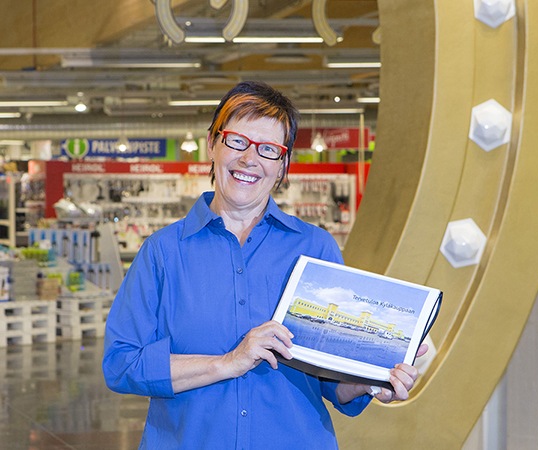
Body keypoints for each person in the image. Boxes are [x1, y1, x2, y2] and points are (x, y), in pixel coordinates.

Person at [102, 80, 426, 449]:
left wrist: (370, 379)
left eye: (268, 149)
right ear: (212, 144)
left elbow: (330, 382)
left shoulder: (314, 248)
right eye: (237, 141)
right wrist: (227, 362)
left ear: (283, 164)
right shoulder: (163, 253)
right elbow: (121, 364)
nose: (249, 159)